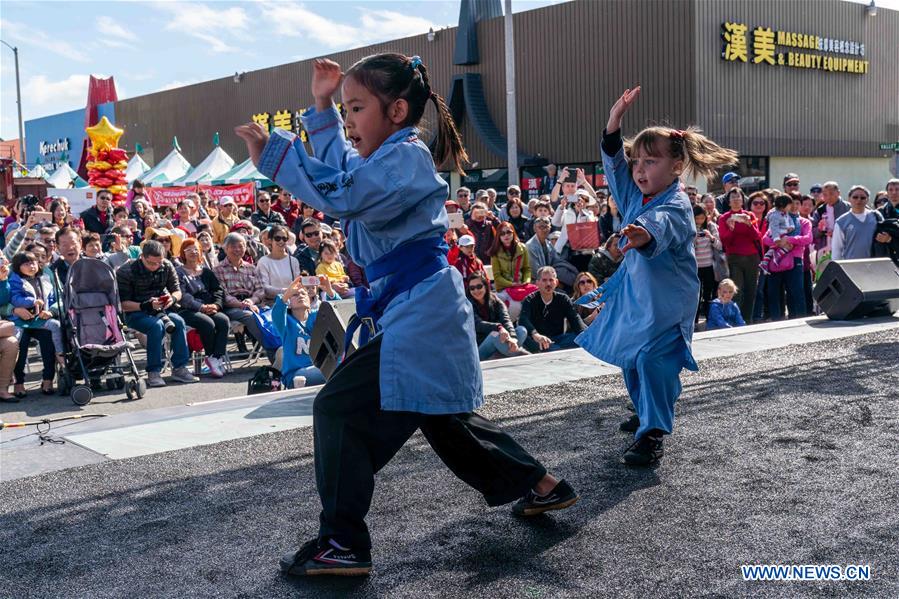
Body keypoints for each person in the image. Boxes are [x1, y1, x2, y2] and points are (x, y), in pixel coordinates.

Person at [236, 53, 577, 577]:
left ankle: (344, 543)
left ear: (396, 110)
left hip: (420, 310)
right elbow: (342, 171)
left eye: (356, 108)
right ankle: (539, 484)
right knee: (441, 415)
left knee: (338, 411)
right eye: (345, 111)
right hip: (419, 306)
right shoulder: (390, 156)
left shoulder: (405, 159)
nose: (348, 122)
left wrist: (276, 156)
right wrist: (322, 105)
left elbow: (343, 192)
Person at [577, 86, 738, 466]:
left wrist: (640, 233)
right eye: (638, 162)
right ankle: (644, 410)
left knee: (653, 360)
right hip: (637, 297)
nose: (639, 169)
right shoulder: (635, 193)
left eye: (650, 162)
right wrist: (614, 122)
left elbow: (660, 225)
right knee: (632, 357)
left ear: (676, 167)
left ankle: (652, 434)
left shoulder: (678, 204)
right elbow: (614, 165)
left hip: (669, 303)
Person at [117, 240, 199, 387]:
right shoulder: (126, 271)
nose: (155, 267)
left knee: (178, 322)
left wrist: (172, 298)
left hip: (162, 310)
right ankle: (153, 371)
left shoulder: (166, 265)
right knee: (156, 326)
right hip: (136, 312)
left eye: (158, 263)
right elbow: (123, 305)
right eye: (151, 263)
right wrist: (145, 305)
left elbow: (177, 291)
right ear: (141, 257)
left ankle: (180, 368)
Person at [9, 251, 66, 393]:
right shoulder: (15, 280)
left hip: (41, 319)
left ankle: (49, 378)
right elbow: (14, 299)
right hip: (21, 321)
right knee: (19, 346)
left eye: (33, 262)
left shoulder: (45, 278)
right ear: (18, 267)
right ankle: (19, 383)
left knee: (50, 337)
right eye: (26, 264)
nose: (31, 266)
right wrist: (32, 301)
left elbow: (56, 298)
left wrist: (51, 311)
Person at [175, 239, 229, 378]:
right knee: (207, 323)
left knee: (223, 321)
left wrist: (216, 305)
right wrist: (201, 307)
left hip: (209, 307)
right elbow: (183, 296)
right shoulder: (179, 272)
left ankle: (216, 357)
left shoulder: (206, 272)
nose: (193, 252)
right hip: (188, 310)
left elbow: (217, 290)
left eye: (196, 249)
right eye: (189, 250)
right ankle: (211, 356)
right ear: (183, 253)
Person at [214, 232, 269, 354]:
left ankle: (275, 345)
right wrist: (242, 305)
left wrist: (252, 300)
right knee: (249, 316)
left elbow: (260, 290)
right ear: (225, 248)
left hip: (251, 303)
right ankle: (270, 347)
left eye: (241, 246)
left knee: (270, 314)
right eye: (233, 246)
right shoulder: (218, 270)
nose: (237, 249)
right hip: (231, 307)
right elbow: (222, 294)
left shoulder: (251, 268)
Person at [762, 194, 811, 321]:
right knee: (774, 292)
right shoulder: (778, 218)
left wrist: (789, 239)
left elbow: (808, 239)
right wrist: (779, 242)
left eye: (797, 203)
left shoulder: (804, 222)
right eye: (792, 203)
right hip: (776, 260)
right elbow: (765, 238)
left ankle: (799, 320)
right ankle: (776, 321)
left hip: (795, 259)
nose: (794, 206)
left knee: (796, 293)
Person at [272, 276, 326, 388]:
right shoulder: (286, 322)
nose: (300, 296)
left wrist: (329, 291)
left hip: (319, 368)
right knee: (336, 372)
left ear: (310, 300)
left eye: (303, 294)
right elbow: (277, 310)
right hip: (296, 375)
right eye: (295, 295)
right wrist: (288, 293)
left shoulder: (317, 317)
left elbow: (338, 313)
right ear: (289, 304)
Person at [718, 188, 761, 323]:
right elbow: (725, 240)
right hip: (735, 257)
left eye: (738, 197)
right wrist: (731, 227)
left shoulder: (750, 215)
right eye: (733, 197)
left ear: (743, 200)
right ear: (728, 201)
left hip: (751, 257)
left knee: (751, 289)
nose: (736, 199)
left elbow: (757, 236)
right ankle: (736, 320)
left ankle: (747, 319)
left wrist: (748, 224)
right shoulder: (724, 217)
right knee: (737, 290)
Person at [518, 266, 585, 352]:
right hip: (537, 339)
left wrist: (584, 334)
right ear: (537, 283)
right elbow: (523, 320)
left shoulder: (563, 299)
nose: (548, 284)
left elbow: (575, 318)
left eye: (551, 280)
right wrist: (535, 334)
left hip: (558, 339)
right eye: (544, 280)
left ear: (556, 282)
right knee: (552, 348)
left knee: (581, 340)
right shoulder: (529, 300)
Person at [466, 271, 528, 359]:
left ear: (486, 286)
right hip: (480, 349)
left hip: (500, 340)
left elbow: (505, 318)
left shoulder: (495, 299)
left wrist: (513, 338)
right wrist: (499, 328)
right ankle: (520, 354)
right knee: (494, 335)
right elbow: (478, 324)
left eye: (479, 286)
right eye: (472, 288)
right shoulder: (467, 305)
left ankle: (503, 353)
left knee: (521, 330)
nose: (476, 290)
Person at [490, 221, 532, 321]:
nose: (506, 236)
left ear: (513, 233)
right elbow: (497, 277)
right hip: (504, 287)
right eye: (502, 233)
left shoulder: (522, 248)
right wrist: (511, 284)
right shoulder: (495, 252)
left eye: (508, 232)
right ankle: (511, 327)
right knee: (515, 305)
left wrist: (526, 281)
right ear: (498, 236)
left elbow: (527, 269)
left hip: (521, 286)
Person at [256, 223, 301, 306]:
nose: (281, 241)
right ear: (270, 240)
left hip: (293, 303)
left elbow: (297, 283)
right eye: (277, 238)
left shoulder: (294, 261)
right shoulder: (263, 261)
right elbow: (264, 288)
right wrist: (286, 291)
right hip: (272, 304)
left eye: (284, 238)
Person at [692, 204, 721, 318]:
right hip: (695, 266)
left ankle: (710, 318)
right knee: (696, 295)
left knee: (708, 294)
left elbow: (719, 246)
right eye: (697, 218)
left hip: (709, 266)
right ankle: (695, 320)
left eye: (702, 218)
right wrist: (693, 239)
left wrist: (711, 237)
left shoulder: (711, 226)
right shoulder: (690, 228)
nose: (699, 221)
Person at [758, 194, 795, 274]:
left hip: (783, 233)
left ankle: (766, 262)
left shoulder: (785, 212)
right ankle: (771, 259)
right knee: (785, 247)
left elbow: (789, 220)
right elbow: (774, 228)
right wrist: (776, 239)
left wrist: (791, 226)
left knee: (773, 249)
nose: (790, 207)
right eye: (789, 205)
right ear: (782, 205)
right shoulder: (774, 215)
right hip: (777, 234)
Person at [811, 181, 850, 252]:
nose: (828, 197)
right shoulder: (820, 210)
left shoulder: (849, 208)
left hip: (846, 248)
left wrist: (837, 234)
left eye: (831, 194)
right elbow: (812, 232)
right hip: (825, 249)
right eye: (825, 194)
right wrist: (819, 229)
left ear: (838, 193)